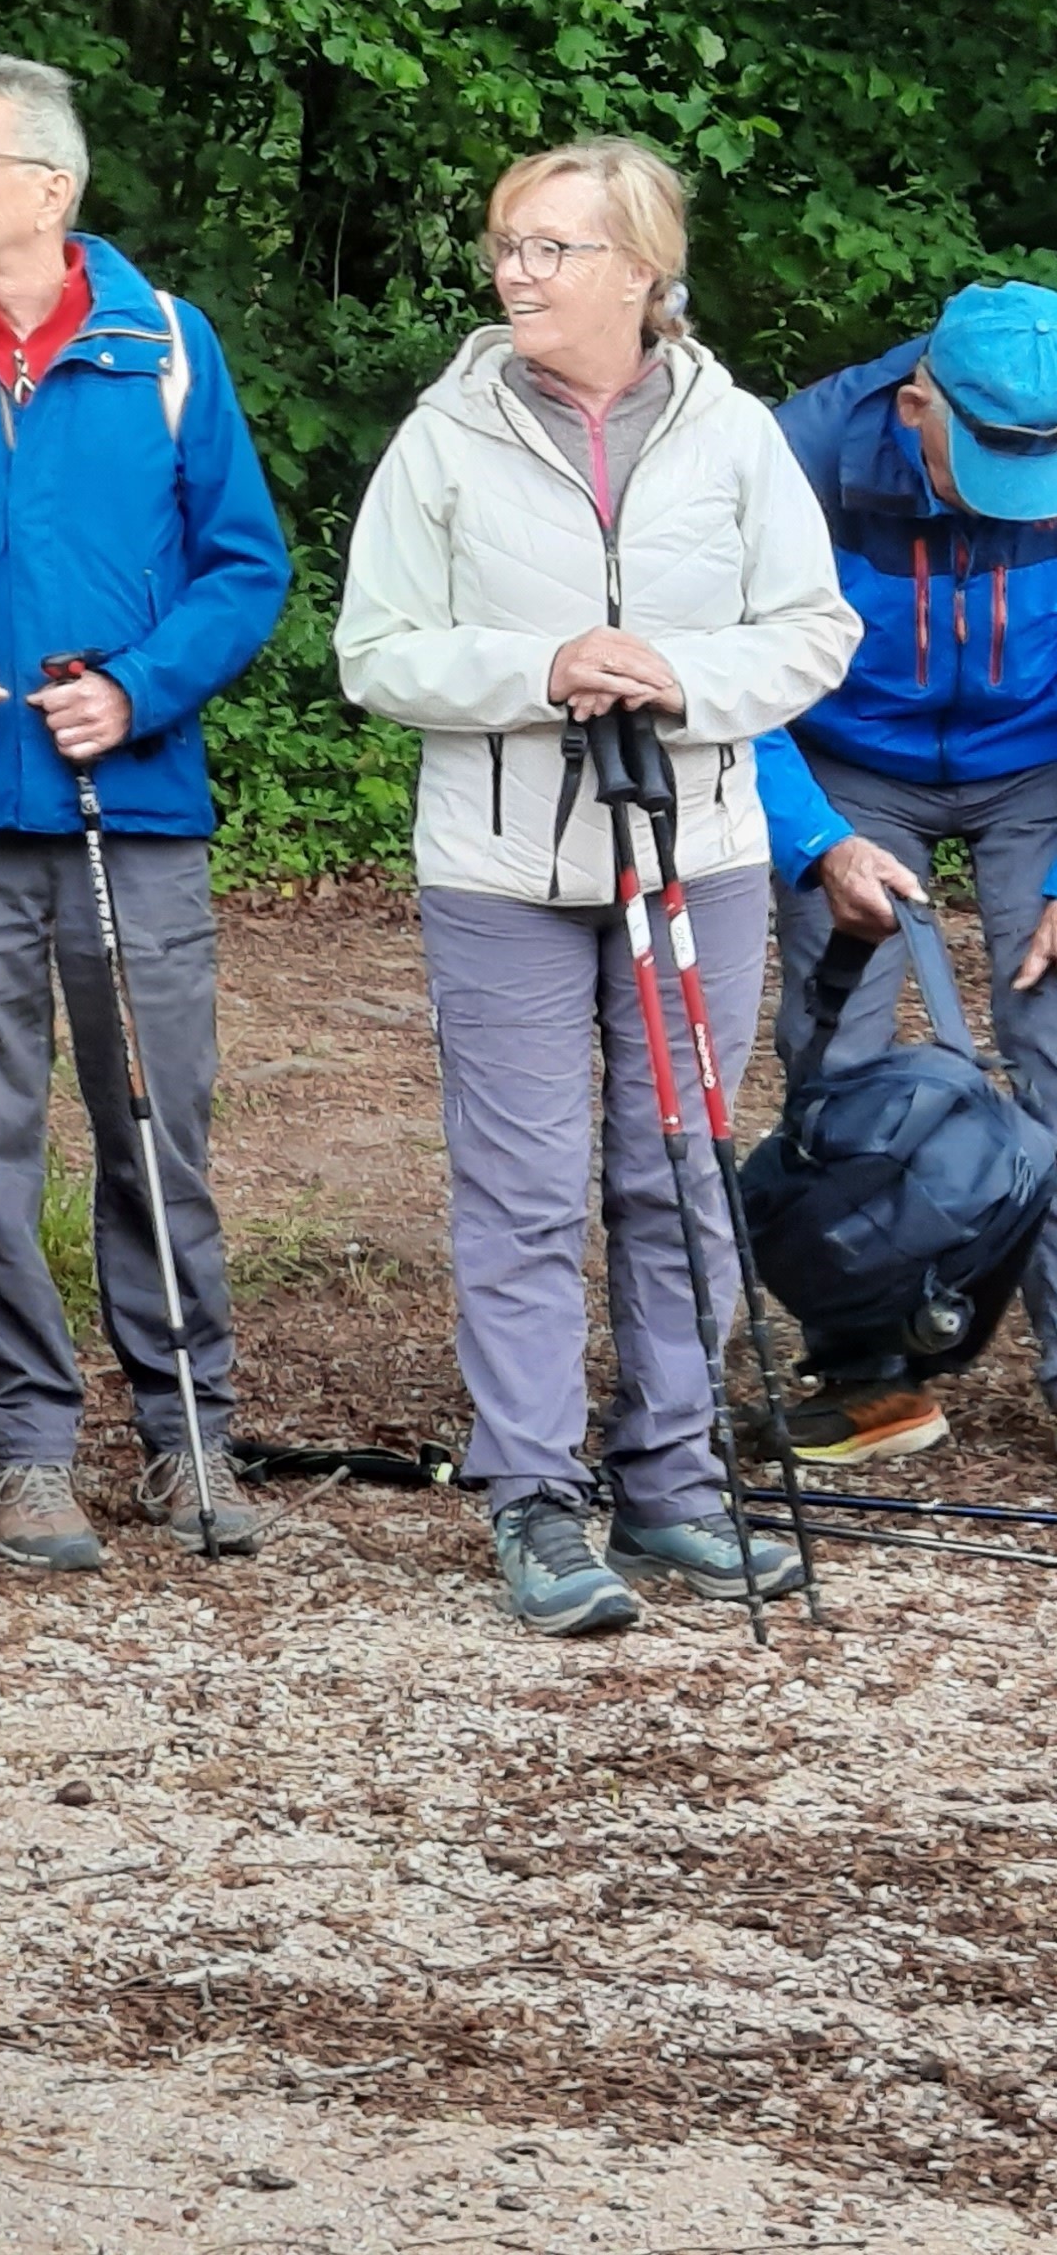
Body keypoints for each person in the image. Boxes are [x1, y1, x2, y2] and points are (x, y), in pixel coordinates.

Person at [335, 136, 857, 1638]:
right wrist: (541, 667)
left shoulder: (734, 434)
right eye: (508, 244)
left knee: (676, 1169)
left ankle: (674, 1483)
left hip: (700, 855)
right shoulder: (444, 436)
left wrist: (675, 678)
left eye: (552, 247)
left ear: (639, 270)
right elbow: (375, 653)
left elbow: (814, 632)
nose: (517, 271)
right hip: (499, 870)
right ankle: (535, 1497)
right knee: (523, 1189)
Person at [0, 56, 291, 1571]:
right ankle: (24, 1449)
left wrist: (139, 690)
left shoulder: (165, 347)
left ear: (50, 186)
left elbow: (245, 566)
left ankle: (185, 1428)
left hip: (131, 806)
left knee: (157, 1123)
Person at [739, 286, 1057, 1461]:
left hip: (1040, 763)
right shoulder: (796, 451)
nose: (1013, 497)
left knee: (1053, 1036)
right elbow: (730, 672)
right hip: (848, 765)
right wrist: (813, 841)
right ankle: (872, 1372)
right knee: (842, 1062)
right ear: (918, 404)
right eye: (990, 465)